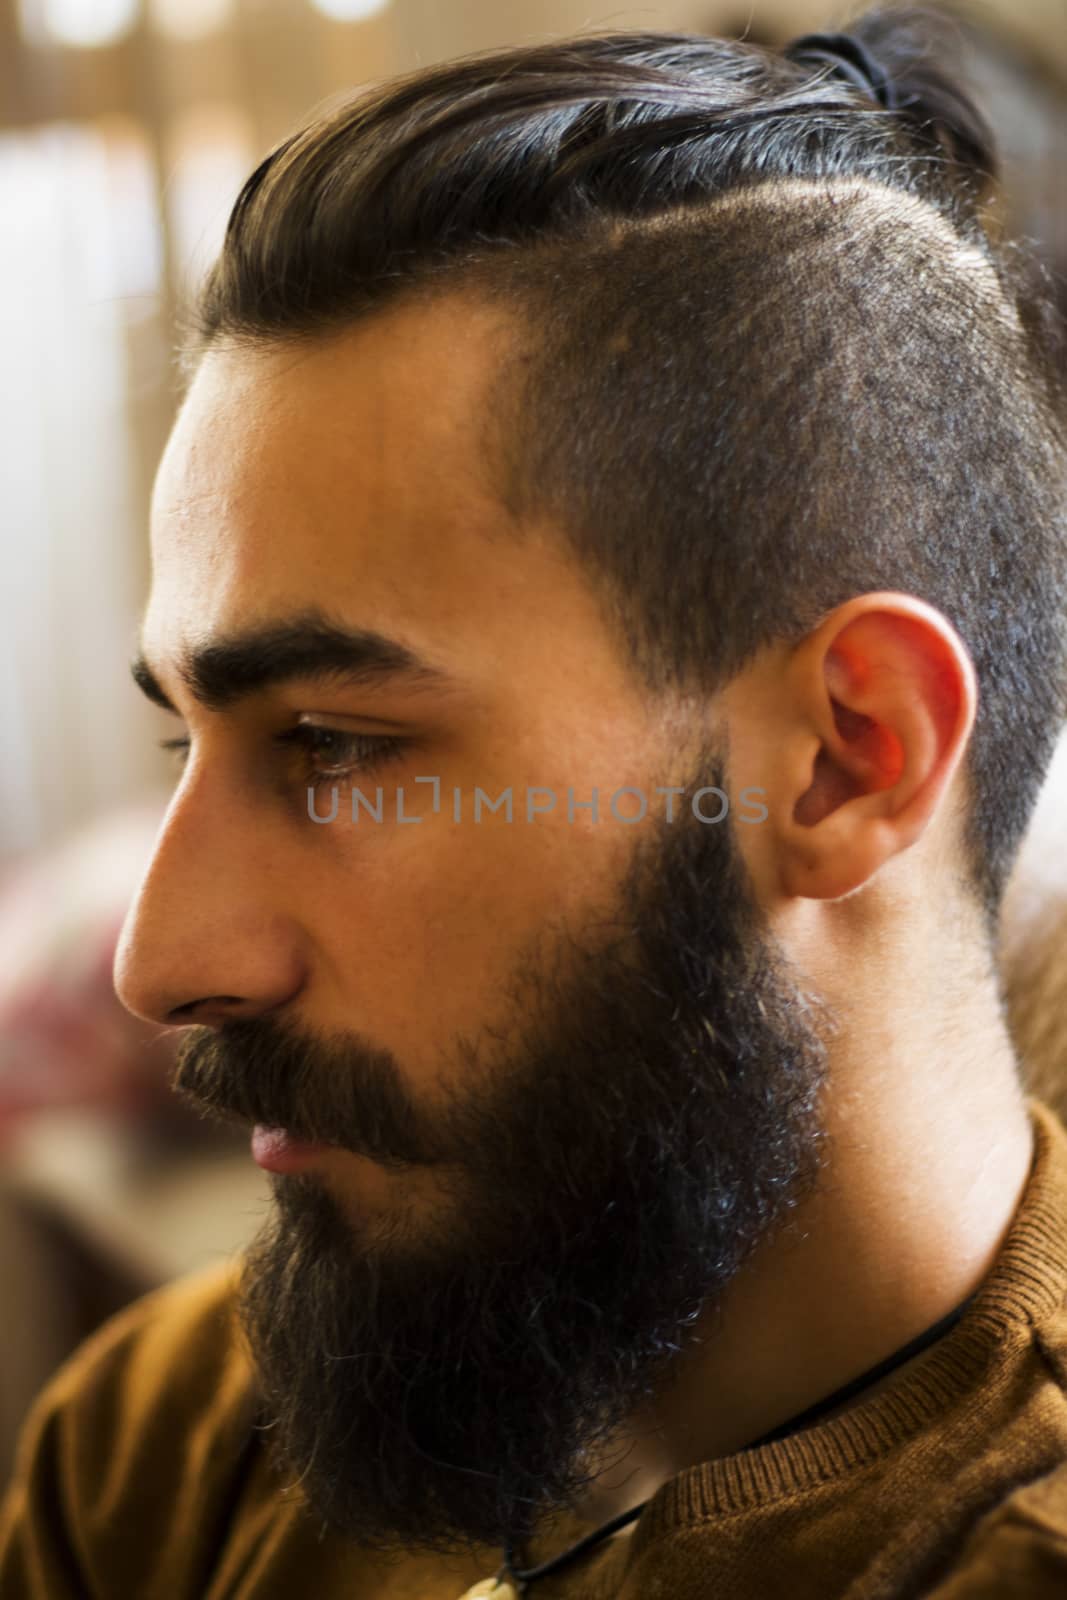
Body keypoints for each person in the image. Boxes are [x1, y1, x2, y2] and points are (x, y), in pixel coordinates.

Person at [3, 7, 1067, 1596]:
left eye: (337, 746)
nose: (159, 963)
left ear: (853, 755)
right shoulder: (168, 1451)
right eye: (189, 744)